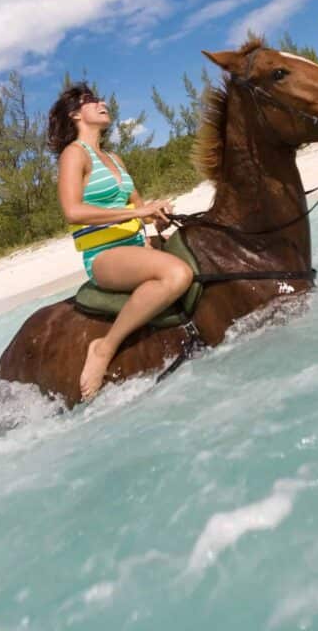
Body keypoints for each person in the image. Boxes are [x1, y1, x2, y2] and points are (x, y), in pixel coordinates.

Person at [48, 83, 194, 400]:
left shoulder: (114, 158)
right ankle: (104, 347)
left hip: (136, 244)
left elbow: (140, 211)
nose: (102, 102)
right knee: (176, 275)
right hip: (104, 256)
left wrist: (155, 223)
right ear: (75, 114)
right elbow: (73, 210)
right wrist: (141, 210)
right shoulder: (73, 155)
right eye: (92, 101)